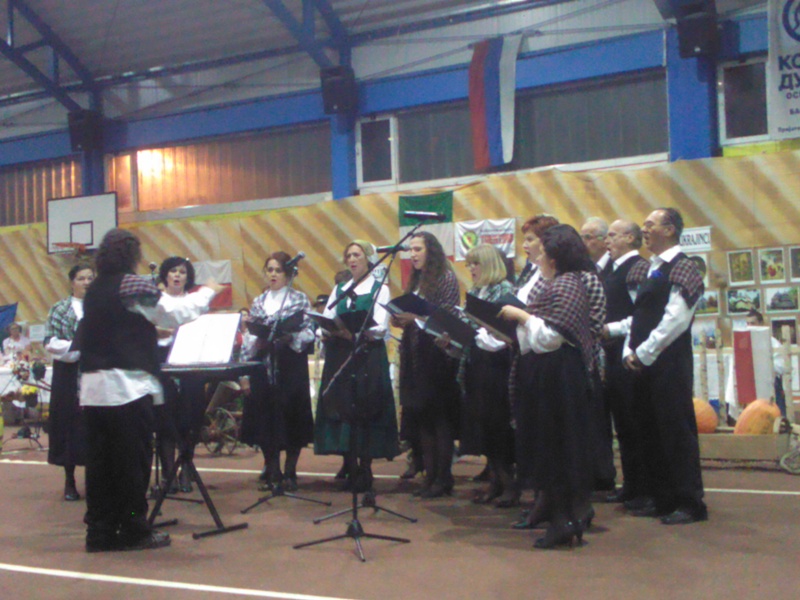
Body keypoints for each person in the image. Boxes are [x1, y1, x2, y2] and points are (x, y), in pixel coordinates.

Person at [79, 228, 221, 552]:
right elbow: (173, 313)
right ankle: (133, 529)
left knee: (100, 466)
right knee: (133, 465)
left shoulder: (94, 289)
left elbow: (115, 326)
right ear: (132, 254)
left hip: (92, 389)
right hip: (126, 388)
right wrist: (207, 292)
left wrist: (146, 331)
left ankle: (99, 533)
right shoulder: (131, 283)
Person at [500, 224, 597, 549]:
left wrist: (522, 317)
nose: (536, 258)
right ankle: (562, 519)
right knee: (550, 449)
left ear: (554, 257)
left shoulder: (567, 286)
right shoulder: (559, 284)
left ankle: (564, 521)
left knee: (557, 449)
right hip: (548, 374)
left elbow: (551, 338)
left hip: (557, 376)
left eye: (541, 252)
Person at [618, 208, 707, 525]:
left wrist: (643, 353)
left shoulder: (684, 268)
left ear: (669, 230)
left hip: (669, 365)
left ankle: (689, 502)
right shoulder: (651, 269)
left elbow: (675, 321)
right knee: (650, 430)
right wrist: (630, 350)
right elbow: (638, 317)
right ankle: (662, 498)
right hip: (643, 364)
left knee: (675, 432)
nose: (644, 230)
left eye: (650, 225)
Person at [314, 240, 399, 492]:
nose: (352, 259)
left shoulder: (380, 289)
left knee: (366, 406)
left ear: (368, 259)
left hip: (367, 355)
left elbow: (381, 327)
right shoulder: (340, 288)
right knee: (343, 407)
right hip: (341, 355)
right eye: (348, 255)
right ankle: (350, 465)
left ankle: (366, 467)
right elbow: (327, 318)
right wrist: (326, 331)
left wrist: (355, 333)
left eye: (357, 255)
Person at [240, 251, 315, 492]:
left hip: (290, 364)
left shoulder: (299, 299)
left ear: (288, 274)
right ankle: (273, 470)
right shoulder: (259, 301)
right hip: (264, 365)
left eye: (278, 270)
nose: (273, 274)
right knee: (265, 420)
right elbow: (249, 337)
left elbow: (309, 332)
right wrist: (257, 344)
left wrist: (290, 337)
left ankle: (290, 471)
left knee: (292, 418)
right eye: (269, 270)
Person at [393, 231, 461, 498]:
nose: (413, 254)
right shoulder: (417, 280)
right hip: (415, 354)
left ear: (431, 251)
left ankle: (443, 477)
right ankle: (429, 475)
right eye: (411, 249)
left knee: (439, 420)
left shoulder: (445, 277)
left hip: (437, 355)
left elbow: (447, 317)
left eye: (418, 249)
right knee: (422, 419)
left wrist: (416, 319)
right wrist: (400, 319)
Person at [459, 244, 517, 507]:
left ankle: (509, 485)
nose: (471, 269)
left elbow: (506, 334)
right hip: (477, 362)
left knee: (499, 426)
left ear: (489, 265)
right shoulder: (475, 292)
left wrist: (480, 332)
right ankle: (495, 481)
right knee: (485, 426)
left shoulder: (504, 291)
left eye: (476, 264)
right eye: (469, 264)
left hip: (498, 365)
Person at [601, 220, 649, 504]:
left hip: (629, 355)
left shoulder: (637, 269)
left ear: (630, 238)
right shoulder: (614, 269)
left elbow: (642, 315)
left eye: (612, 235)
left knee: (634, 423)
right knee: (623, 425)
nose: (606, 240)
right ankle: (631, 485)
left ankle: (643, 489)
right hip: (613, 355)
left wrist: (612, 329)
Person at [45, 263, 94, 501]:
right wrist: (77, 347)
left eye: (90, 278)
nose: (86, 282)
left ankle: (95, 480)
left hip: (96, 373)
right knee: (69, 425)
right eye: (81, 278)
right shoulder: (60, 309)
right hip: (68, 374)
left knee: (95, 427)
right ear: (72, 282)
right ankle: (69, 480)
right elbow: (50, 342)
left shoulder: (101, 306)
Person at [153, 256, 201, 493]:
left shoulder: (194, 302)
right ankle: (168, 474)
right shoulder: (156, 301)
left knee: (190, 420)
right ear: (165, 275)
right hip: (162, 362)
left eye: (182, 272)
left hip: (191, 363)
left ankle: (186, 470)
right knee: (165, 421)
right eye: (173, 271)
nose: (177, 276)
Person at [745, 309, 787, 417]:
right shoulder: (744, 342)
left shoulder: (773, 343)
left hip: (769, 383)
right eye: (748, 323)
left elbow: (781, 367)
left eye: (753, 323)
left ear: (761, 324)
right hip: (750, 383)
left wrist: (763, 365)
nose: (750, 326)